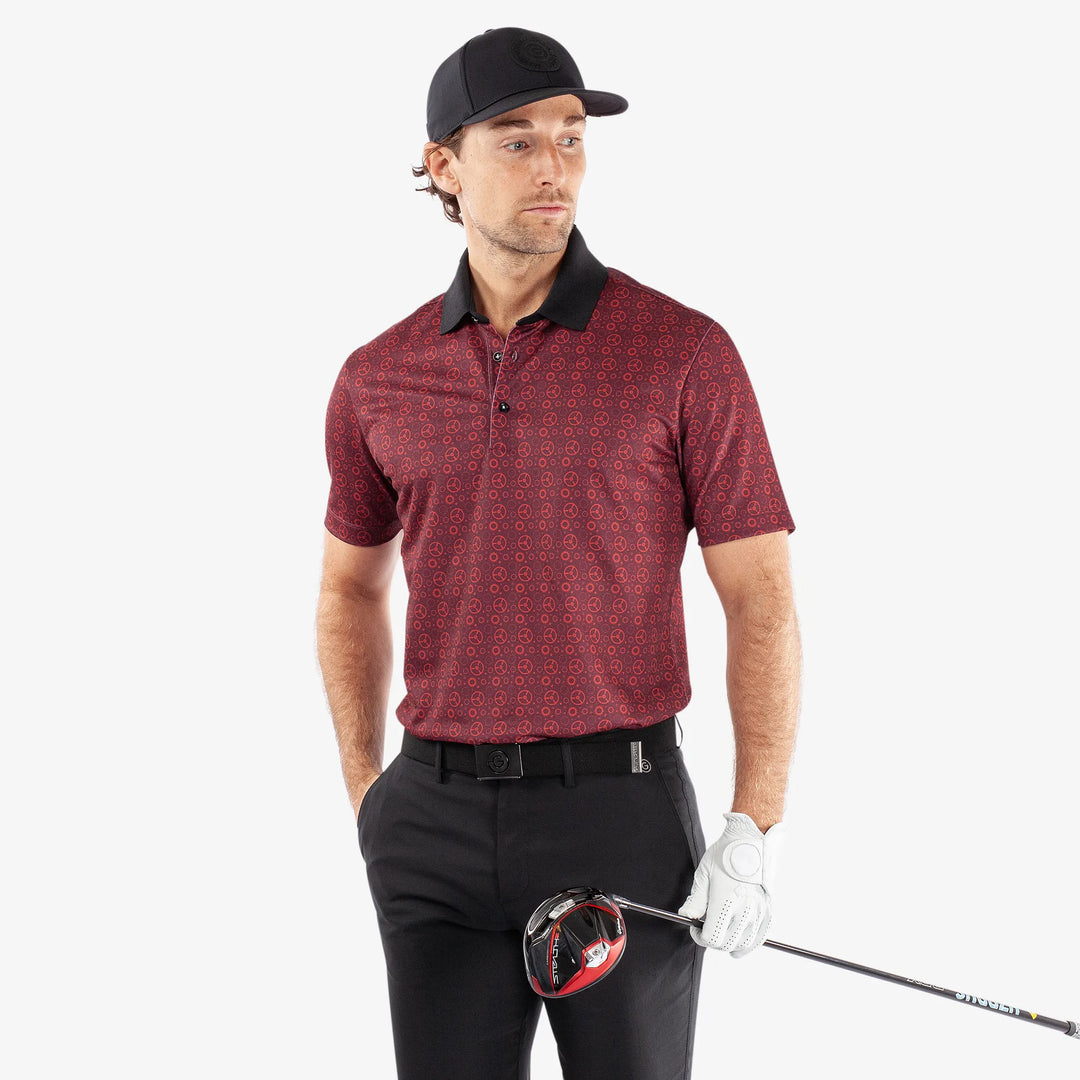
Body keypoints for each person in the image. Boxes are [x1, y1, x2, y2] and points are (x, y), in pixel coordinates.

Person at [317, 26, 801, 1080]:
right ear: (444, 165)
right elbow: (350, 586)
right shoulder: (378, 376)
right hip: (431, 825)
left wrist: (750, 827)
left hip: (619, 818)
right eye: (518, 140)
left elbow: (760, 595)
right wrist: (368, 791)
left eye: (572, 138)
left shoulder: (683, 353)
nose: (555, 167)